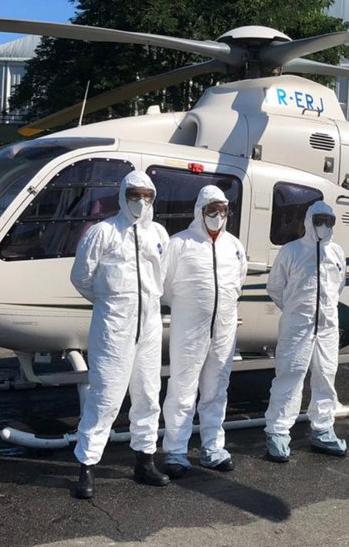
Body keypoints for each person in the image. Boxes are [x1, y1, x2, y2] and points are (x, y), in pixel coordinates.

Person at [69, 170, 171, 498]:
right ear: (123, 195)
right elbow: (81, 277)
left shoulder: (158, 233)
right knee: (105, 397)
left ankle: (145, 461)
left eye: (147, 196)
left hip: (150, 326)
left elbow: (161, 277)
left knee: (147, 394)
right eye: (134, 195)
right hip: (114, 328)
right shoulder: (103, 232)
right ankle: (86, 467)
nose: (141, 202)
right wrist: (110, 303)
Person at [160, 185, 248, 478]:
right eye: (212, 209)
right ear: (200, 211)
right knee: (183, 387)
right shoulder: (179, 244)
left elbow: (238, 282)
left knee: (216, 388)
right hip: (190, 329)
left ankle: (213, 448)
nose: (217, 215)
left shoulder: (234, 246)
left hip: (223, 328)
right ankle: (175, 451)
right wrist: (191, 307)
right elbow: (165, 287)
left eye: (222, 210)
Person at [263, 201, 347, 462]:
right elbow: (275, 287)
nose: (324, 225)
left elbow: (338, 287)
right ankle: (277, 430)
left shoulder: (337, 253)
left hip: (328, 327)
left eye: (329, 221)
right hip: (297, 326)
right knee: (290, 375)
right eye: (319, 219)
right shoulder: (291, 251)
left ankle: (323, 429)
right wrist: (295, 312)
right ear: (309, 220)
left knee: (325, 376)